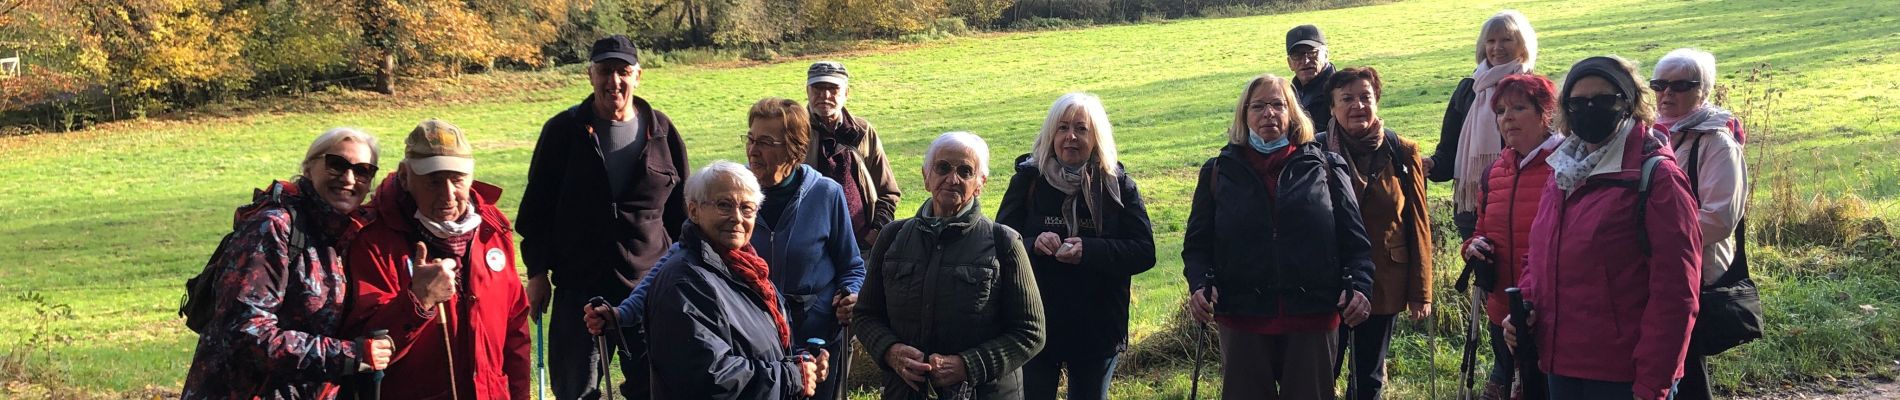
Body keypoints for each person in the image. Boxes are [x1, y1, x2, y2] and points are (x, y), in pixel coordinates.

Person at [1505, 56, 1702, 400]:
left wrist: (1653, 382)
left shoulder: (1657, 179)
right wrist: (1527, 302)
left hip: (1624, 375)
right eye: (1578, 103)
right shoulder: (1562, 172)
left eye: (1603, 100)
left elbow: (1677, 293)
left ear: (1628, 104)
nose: (1589, 109)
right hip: (1560, 365)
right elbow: (1540, 253)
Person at [517, 34, 689, 399]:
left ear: (638, 75)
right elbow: (536, 209)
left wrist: (686, 272)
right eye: (606, 71)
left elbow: (682, 213)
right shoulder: (562, 132)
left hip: (648, 287)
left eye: (623, 71)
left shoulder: (662, 131)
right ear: (590, 74)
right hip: (578, 286)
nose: (615, 81)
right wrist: (536, 273)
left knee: (657, 388)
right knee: (576, 391)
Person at [1183, 73, 1375, 400]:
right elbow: (1197, 246)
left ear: (1292, 114)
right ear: (1244, 115)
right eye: (1258, 106)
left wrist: (1360, 285)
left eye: (1278, 105)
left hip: (1312, 315)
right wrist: (1200, 284)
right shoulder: (1218, 171)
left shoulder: (1327, 166)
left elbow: (1356, 244)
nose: (1269, 113)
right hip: (1242, 316)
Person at [584, 161, 829, 399]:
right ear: (694, 210)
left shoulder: (746, 270)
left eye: (747, 208)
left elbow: (758, 348)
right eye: (724, 205)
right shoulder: (685, 283)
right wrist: (791, 376)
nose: (737, 217)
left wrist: (802, 360)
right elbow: (709, 378)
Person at [182, 128, 394, 399]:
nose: (349, 178)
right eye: (336, 165)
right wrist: (351, 355)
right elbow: (245, 333)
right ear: (308, 168)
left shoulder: (345, 234)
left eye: (363, 170)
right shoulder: (274, 227)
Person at [340, 119, 533, 399]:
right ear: (405, 177)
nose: (448, 194)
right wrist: (419, 301)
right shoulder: (373, 238)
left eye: (457, 179)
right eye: (432, 181)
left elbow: (515, 327)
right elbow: (364, 348)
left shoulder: (492, 227)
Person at [854, 132, 1046, 399]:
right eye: (942, 167)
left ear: (980, 184)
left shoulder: (1004, 242)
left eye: (966, 171)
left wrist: (969, 365)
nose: (952, 179)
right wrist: (890, 351)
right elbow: (865, 315)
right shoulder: (892, 238)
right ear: (926, 177)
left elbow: (1031, 332)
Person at [996, 93, 1157, 400]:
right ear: (1050, 135)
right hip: (1035, 324)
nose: (1071, 136)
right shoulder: (1028, 182)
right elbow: (999, 244)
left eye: (1081, 129)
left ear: (1096, 137)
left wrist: (1089, 250)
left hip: (1097, 326)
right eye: (1062, 128)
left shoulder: (1118, 186)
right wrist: (1032, 244)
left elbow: (1143, 252)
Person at [1315, 67, 1434, 400]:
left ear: (1377, 101)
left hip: (1384, 281)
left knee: (1368, 376)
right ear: (1332, 107)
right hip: (1328, 281)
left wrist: (1421, 290)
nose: (1357, 106)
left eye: (1365, 97)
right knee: (1323, 370)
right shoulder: (1314, 152)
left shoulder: (1401, 150)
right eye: (1347, 99)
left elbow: (1418, 222)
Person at [1652, 48, 1747, 400]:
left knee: (1687, 365)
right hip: (1657, 268)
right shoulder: (1654, 135)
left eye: (1681, 85)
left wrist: (1659, 243)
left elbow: (1720, 218)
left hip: (1696, 270)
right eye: (1659, 84)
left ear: (1703, 91)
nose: (1667, 93)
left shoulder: (1716, 141)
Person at [1461, 73, 1562, 400]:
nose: (1507, 118)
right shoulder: (1494, 172)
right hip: (1501, 310)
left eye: (1519, 107)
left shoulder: (1566, 168)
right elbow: (1480, 230)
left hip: (1551, 313)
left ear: (1546, 113)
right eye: (1501, 111)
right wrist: (1471, 247)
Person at [1428, 9, 1539, 238]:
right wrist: (1432, 165)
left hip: (1519, 204)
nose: (1497, 47)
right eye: (1491, 40)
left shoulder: (1534, 89)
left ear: (1523, 45)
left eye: (1506, 39)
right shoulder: (1468, 89)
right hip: (1471, 209)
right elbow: (1448, 149)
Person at [805, 60, 903, 253]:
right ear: (807, 91)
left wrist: (875, 233)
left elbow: (888, 191)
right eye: (817, 88)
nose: (825, 96)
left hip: (861, 247)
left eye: (833, 89)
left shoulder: (863, 131)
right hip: (810, 247)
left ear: (846, 93)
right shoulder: (793, 131)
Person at [1286, 24, 1338, 130]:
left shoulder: (1340, 92)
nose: (1305, 61)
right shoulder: (1287, 94)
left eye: (1312, 53)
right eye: (1297, 56)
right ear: (1289, 63)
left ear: (1326, 55)